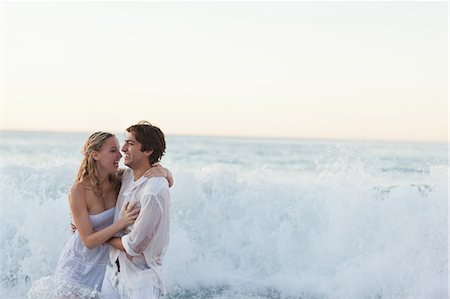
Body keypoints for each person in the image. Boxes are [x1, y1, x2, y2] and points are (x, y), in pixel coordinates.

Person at [28, 131, 173, 298]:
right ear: (95, 155)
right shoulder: (78, 190)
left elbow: (157, 181)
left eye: (120, 149)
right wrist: (120, 223)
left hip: (106, 266)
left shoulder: (120, 180)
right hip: (78, 264)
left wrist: (165, 171)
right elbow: (88, 241)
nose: (120, 154)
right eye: (113, 150)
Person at [102, 121, 171, 299]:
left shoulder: (153, 191)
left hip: (141, 284)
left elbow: (135, 245)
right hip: (114, 276)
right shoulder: (126, 176)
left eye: (130, 143)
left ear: (148, 151)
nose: (123, 148)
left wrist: (99, 236)